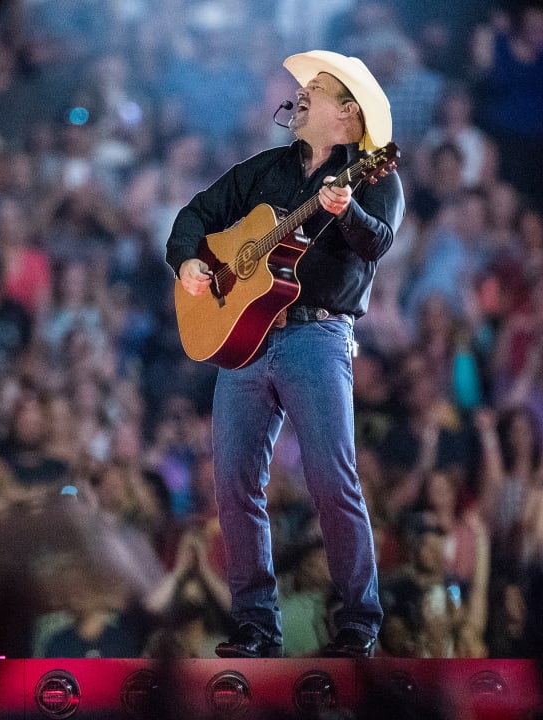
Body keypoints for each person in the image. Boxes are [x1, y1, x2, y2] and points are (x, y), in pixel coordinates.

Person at [166, 50, 403, 658]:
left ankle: (359, 621)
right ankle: (255, 626)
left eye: (315, 89)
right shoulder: (265, 169)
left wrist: (344, 208)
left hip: (317, 337)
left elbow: (376, 244)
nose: (300, 95)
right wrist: (191, 259)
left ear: (347, 114)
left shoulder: (376, 176)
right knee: (235, 484)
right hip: (246, 341)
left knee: (331, 479)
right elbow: (196, 214)